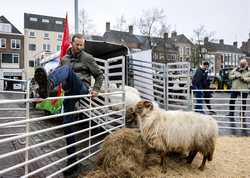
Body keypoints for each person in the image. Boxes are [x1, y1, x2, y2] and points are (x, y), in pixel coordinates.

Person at [34, 34, 104, 175]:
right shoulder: (65, 58)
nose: (79, 47)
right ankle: (72, 160)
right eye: (77, 44)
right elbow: (59, 74)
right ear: (71, 43)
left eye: (81, 45)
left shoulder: (87, 58)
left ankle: (48, 85)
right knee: (67, 124)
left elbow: (99, 74)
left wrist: (96, 89)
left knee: (67, 70)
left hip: (81, 87)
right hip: (69, 92)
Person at [227, 58, 250, 128]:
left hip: (244, 89)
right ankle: (231, 113)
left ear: (246, 64)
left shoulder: (249, 71)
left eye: (243, 64)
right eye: (241, 64)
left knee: (243, 102)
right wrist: (235, 76)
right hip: (235, 88)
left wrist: (243, 78)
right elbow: (229, 77)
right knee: (232, 101)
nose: (242, 65)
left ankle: (242, 113)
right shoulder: (235, 69)